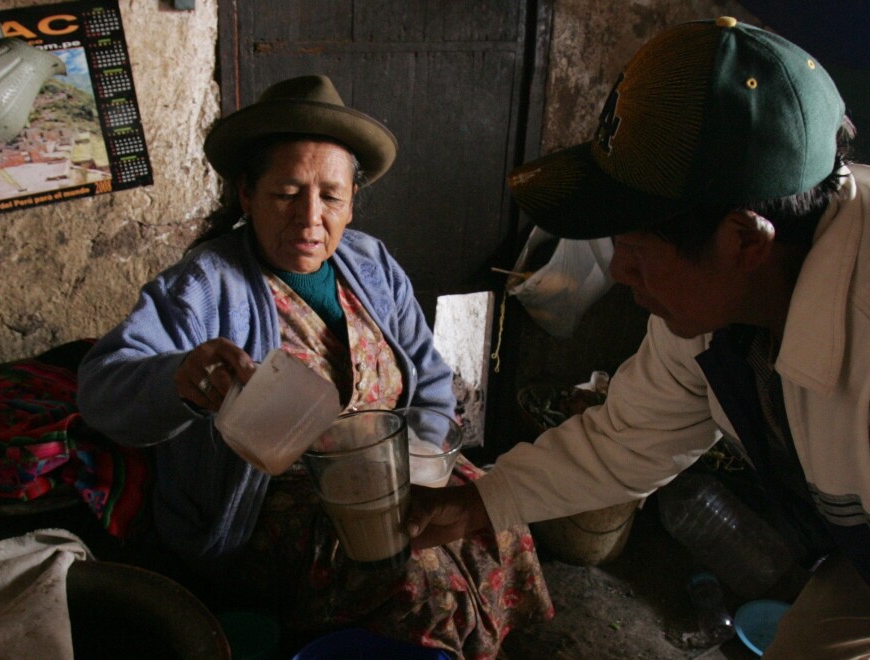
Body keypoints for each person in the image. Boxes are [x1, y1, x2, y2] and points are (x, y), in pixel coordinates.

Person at [407, 17, 870, 658]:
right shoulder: (718, 313)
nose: (620, 272)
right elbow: (631, 438)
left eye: (637, 248)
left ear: (744, 238)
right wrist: (475, 505)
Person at [77, 75, 552, 657]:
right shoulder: (205, 283)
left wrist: (422, 467)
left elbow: (428, 375)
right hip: (271, 511)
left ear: (352, 201)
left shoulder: (370, 262)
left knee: (499, 517)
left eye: (330, 195)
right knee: (415, 578)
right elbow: (101, 386)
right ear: (247, 195)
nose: (309, 219)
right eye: (285, 193)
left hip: (398, 471)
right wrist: (179, 377)